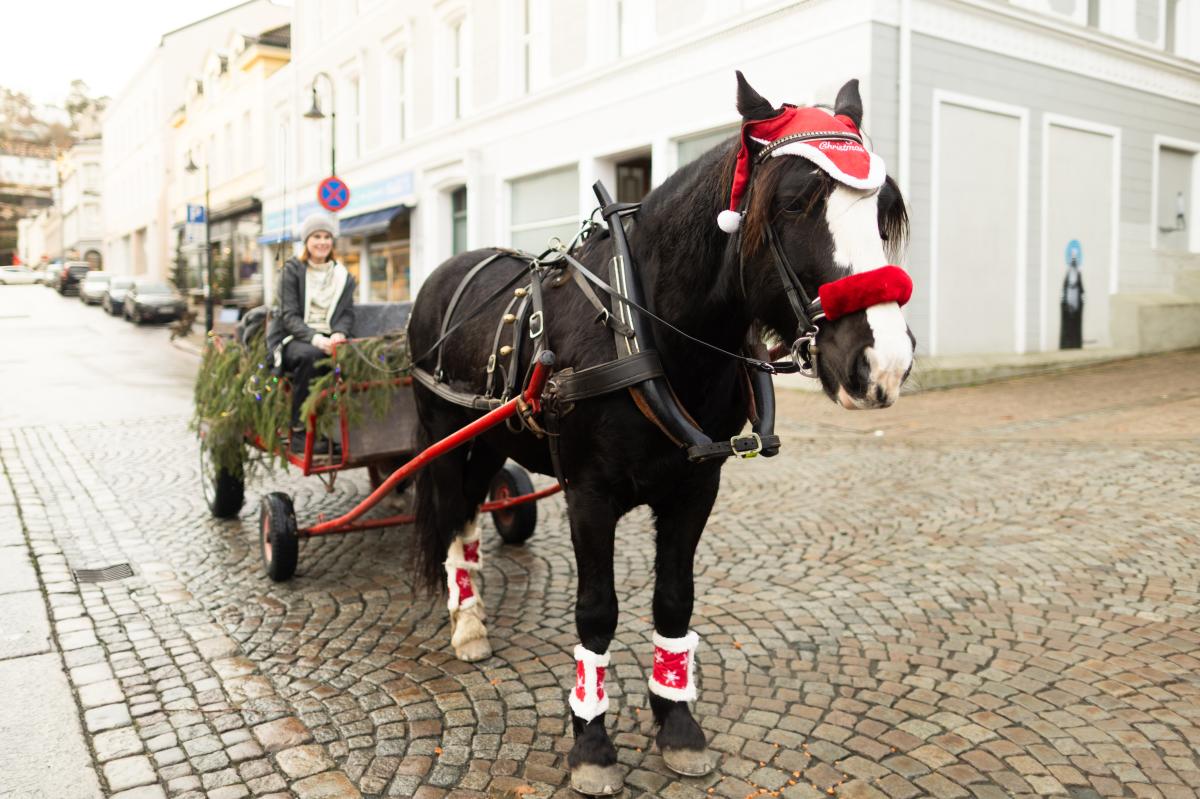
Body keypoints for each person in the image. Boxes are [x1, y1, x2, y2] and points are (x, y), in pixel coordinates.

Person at [266, 212, 356, 454]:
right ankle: (298, 431)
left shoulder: (342, 276)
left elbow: (347, 312)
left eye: (327, 237)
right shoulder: (292, 271)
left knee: (358, 360)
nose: (322, 242)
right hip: (293, 337)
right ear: (306, 241)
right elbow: (289, 316)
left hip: (329, 336)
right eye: (316, 236)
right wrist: (316, 339)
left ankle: (343, 429)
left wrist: (339, 332)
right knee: (311, 357)